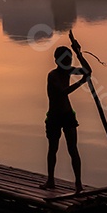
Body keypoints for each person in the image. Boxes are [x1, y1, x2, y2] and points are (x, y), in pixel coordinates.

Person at [42, 41, 91, 192]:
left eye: (69, 61)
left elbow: (87, 70)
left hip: (68, 115)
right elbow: (63, 92)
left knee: (73, 149)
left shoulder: (68, 71)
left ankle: (78, 183)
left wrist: (78, 52)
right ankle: (51, 180)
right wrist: (81, 82)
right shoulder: (53, 75)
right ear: (57, 61)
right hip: (55, 116)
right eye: (65, 61)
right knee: (53, 148)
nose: (68, 63)